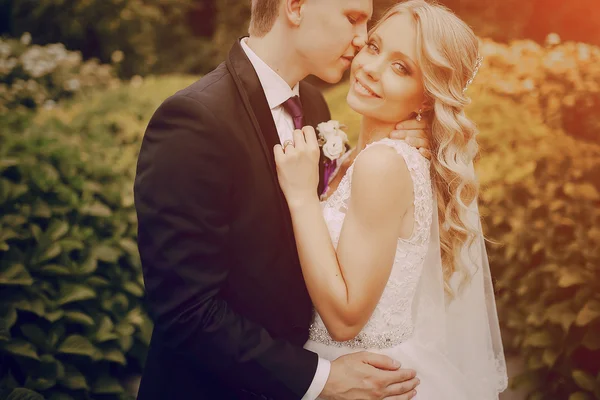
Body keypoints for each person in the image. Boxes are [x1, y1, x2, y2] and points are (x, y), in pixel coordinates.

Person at [133, 0, 432, 398]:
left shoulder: (312, 104)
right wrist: (320, 379)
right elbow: (187, 311)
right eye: (353, 18)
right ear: (295, 7)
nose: (361, 40)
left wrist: (397, 146)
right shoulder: (193, 121)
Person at [274, 1, 509, 398]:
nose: (371, 68)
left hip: (362, 378)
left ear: (427, 98)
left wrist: (301, 198)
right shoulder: (365, 157)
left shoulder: (382, 165)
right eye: (374, 47)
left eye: (402, 68)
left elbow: (346, 320)